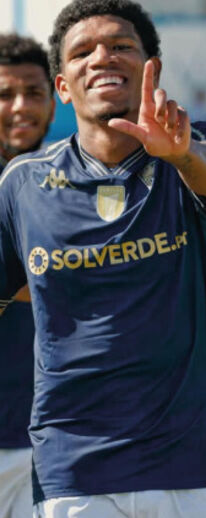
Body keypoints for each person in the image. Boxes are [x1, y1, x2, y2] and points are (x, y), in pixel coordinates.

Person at [0, 0, 206, 515]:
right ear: (63, 85)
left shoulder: (194, 150)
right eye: (83, 51)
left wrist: (181, 155)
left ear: (152, 67)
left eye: (121, 46)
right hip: (72, 470)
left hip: (187, 467)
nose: (102, 58)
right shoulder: (23, 183)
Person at [0, 33, 55, 518]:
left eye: (34, 93)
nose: (21, 107)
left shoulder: (71, 186)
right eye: (4, 94)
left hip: (52, 445)